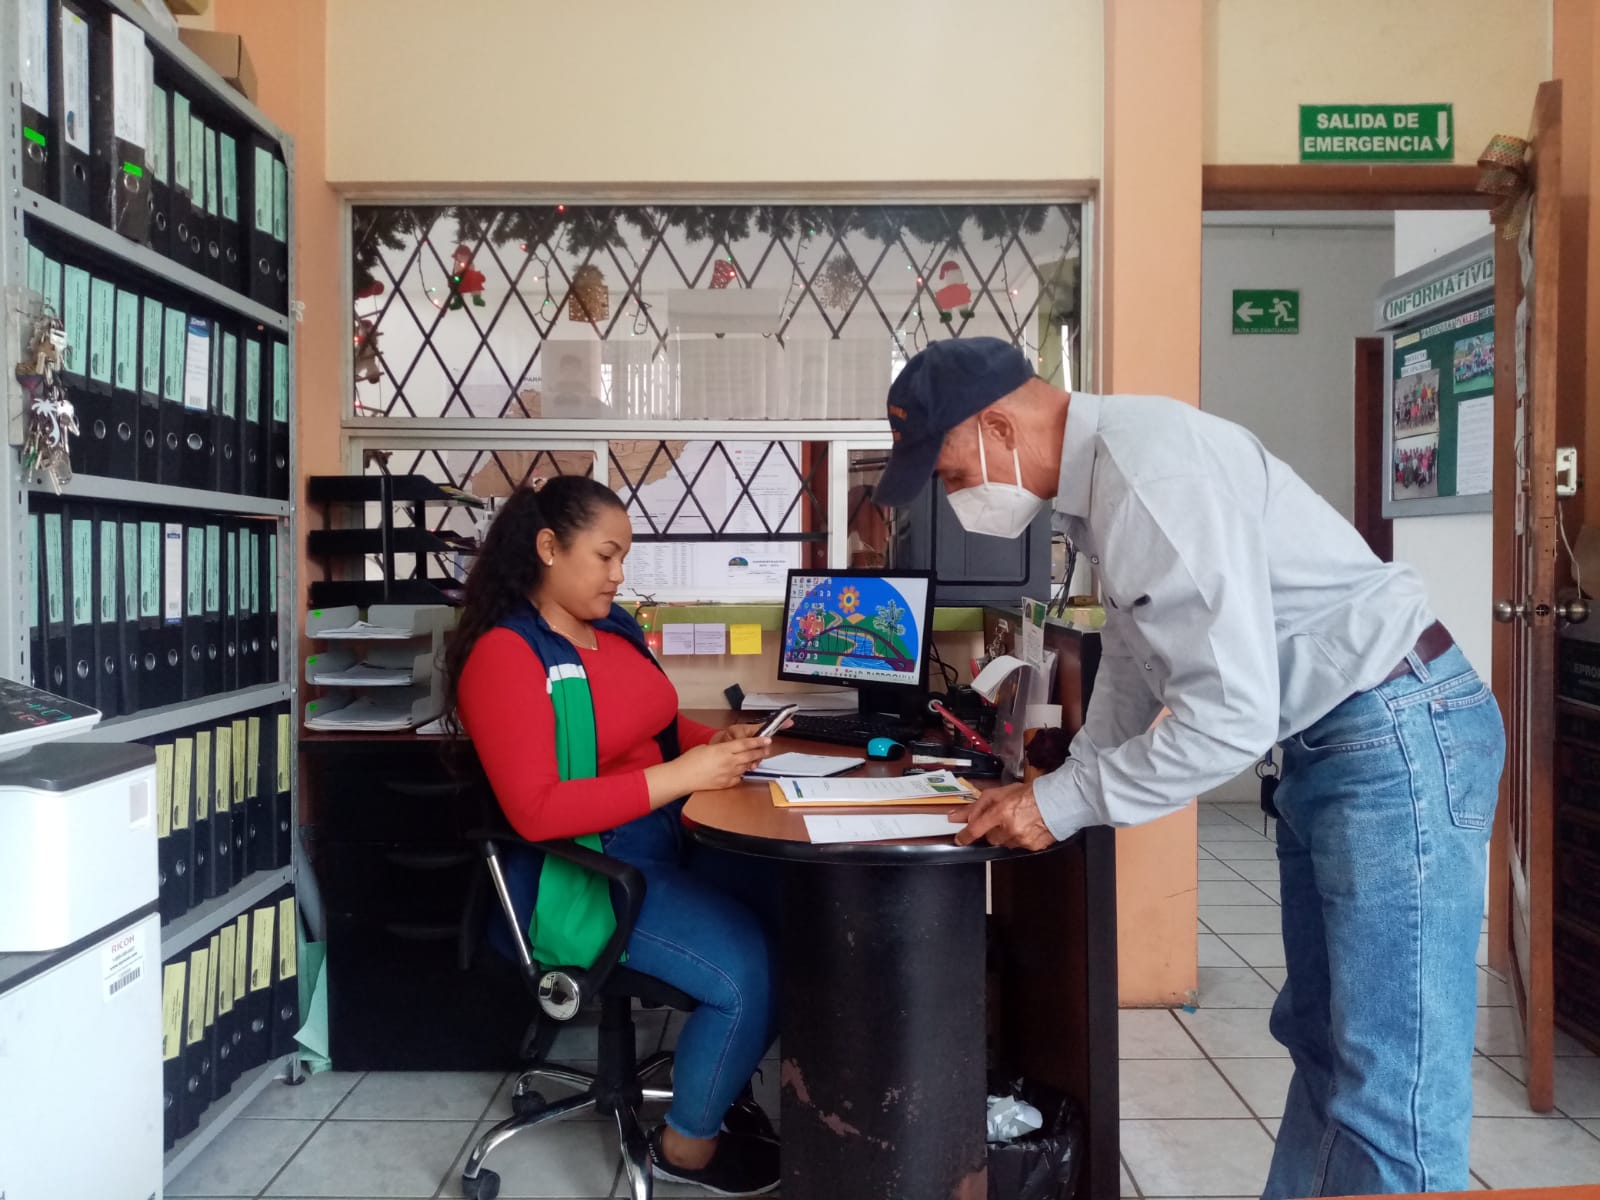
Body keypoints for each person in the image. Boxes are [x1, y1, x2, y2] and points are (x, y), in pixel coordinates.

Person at [872, 338, 1505, 1199]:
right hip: (1338, 742)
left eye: (950, 474)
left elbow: (1228, 717)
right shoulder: (1108, 481)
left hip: (1394, 737)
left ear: (999, 428)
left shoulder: (1149, 478)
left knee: (1396, 1091)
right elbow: (1138, 657)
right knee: (1325, 1047)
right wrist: (1063, 784)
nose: (953, 498)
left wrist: (1064, 802)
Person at [443, 477, 783, 1196]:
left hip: (664, 840)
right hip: (589, 872)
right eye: (606, 555)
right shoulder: (508, 655)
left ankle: (718, 1078)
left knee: (804, 908)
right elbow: (538, 811)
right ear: (548, 547)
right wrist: (685, 774)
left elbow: (657, 727)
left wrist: (718, 744)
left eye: (623, 557)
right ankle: (684, 1149)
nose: (618, 574)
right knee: (746, 972)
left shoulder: (615, 627)